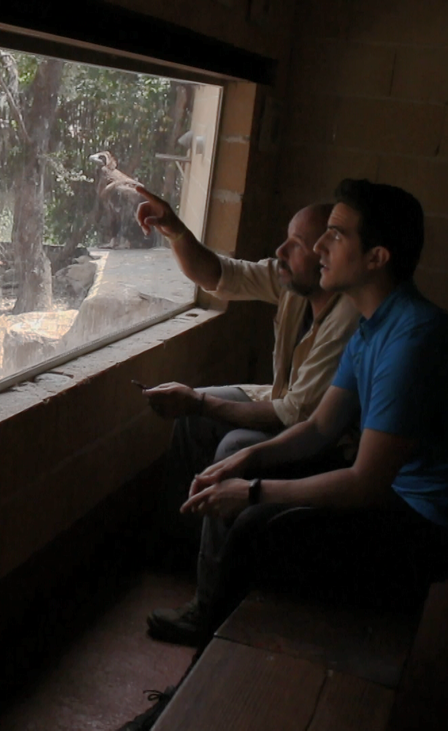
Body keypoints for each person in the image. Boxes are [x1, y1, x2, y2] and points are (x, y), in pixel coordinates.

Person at [180, 179, 448, 640]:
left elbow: (364, 483)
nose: (320, 246)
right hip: (395, 499)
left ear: (376, 258)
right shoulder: (372, 323)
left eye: (336, 235)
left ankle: (201, 672)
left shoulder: (412, 339)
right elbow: (319, 427)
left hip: (431, 528)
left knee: (256, 530)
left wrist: (251, 491)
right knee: (257, 520)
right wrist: (247, 460)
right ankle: (210, 650)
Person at [134, 185, 361, 645]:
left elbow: (297, 417)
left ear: (325, 259)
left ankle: (209, 605)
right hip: (287, 408)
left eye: (298, 245)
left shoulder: (349, 319)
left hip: (330, 446)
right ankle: (180, 552)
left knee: (233, 445)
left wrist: (197, 400)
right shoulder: (295, 284)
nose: (281, 251)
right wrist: (175, 229)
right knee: (195, 418)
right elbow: (220, 274)